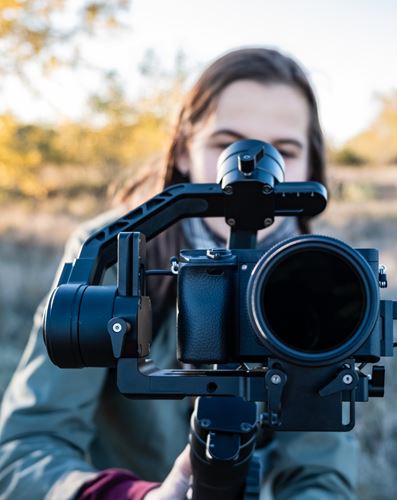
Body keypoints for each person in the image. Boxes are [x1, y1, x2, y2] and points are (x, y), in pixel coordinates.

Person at [0, 47, 358, 499]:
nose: (252, 172)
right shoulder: (112, 253)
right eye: (226, 145)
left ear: (310, 167)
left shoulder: (322, 278)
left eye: (283, 151)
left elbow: (320, 473)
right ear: (185, 150)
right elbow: (25, 446)